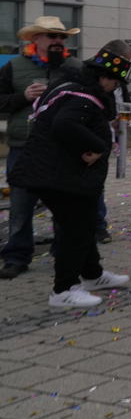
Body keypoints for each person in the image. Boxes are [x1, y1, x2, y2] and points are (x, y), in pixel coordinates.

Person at [8, 40, 131, 307]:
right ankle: (63, 290)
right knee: (75, 228)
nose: (115, 88)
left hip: (59, 172)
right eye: (115, 83)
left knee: (83, 224)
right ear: (104, 78)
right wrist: (98, 146)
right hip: (55, 175)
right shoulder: (82, 97)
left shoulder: (75, 86)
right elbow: (64, 126)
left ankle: (92, 275)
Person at [0, 16, 83, 279]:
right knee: (21, 206)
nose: (58, 41)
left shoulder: (76, 67)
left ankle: (64, 251)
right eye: (51, 36)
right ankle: (16, 256)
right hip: (24, 147)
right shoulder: (14, 67)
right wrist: (22, 97)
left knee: (64, 204)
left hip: (63, 147)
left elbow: (90, 103)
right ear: (36, 39)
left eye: (62, 37)